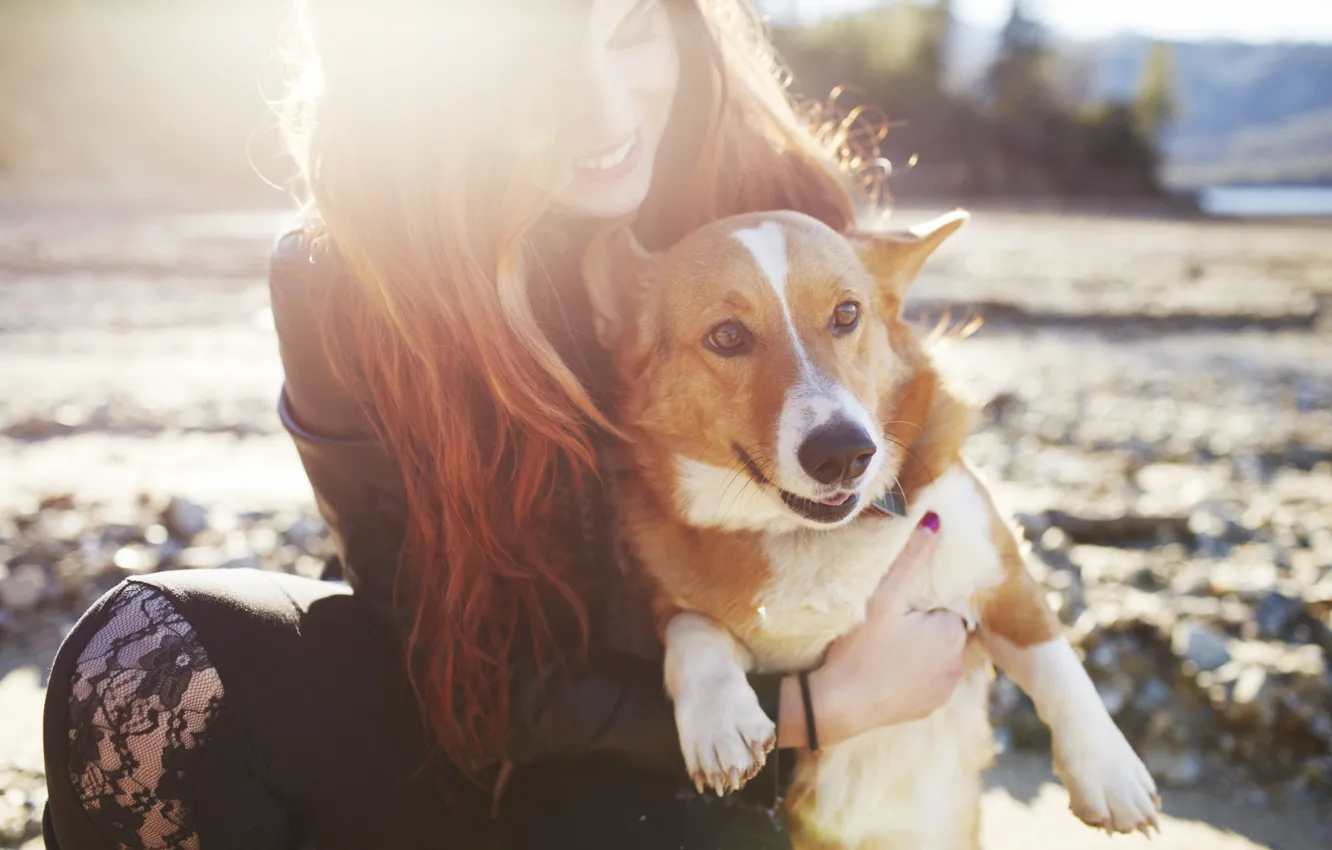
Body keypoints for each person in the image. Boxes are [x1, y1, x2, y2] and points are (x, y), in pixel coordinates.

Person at [41, 1, 971, 848]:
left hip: (711, 754)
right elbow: (447, 666)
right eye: (543, 71)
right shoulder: (349, 279)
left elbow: (900, 469)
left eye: (633, 29)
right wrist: (816, 705)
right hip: (452, 737)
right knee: (143, 655)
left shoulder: (773, 208)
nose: (605, 116)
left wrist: (882, 664)